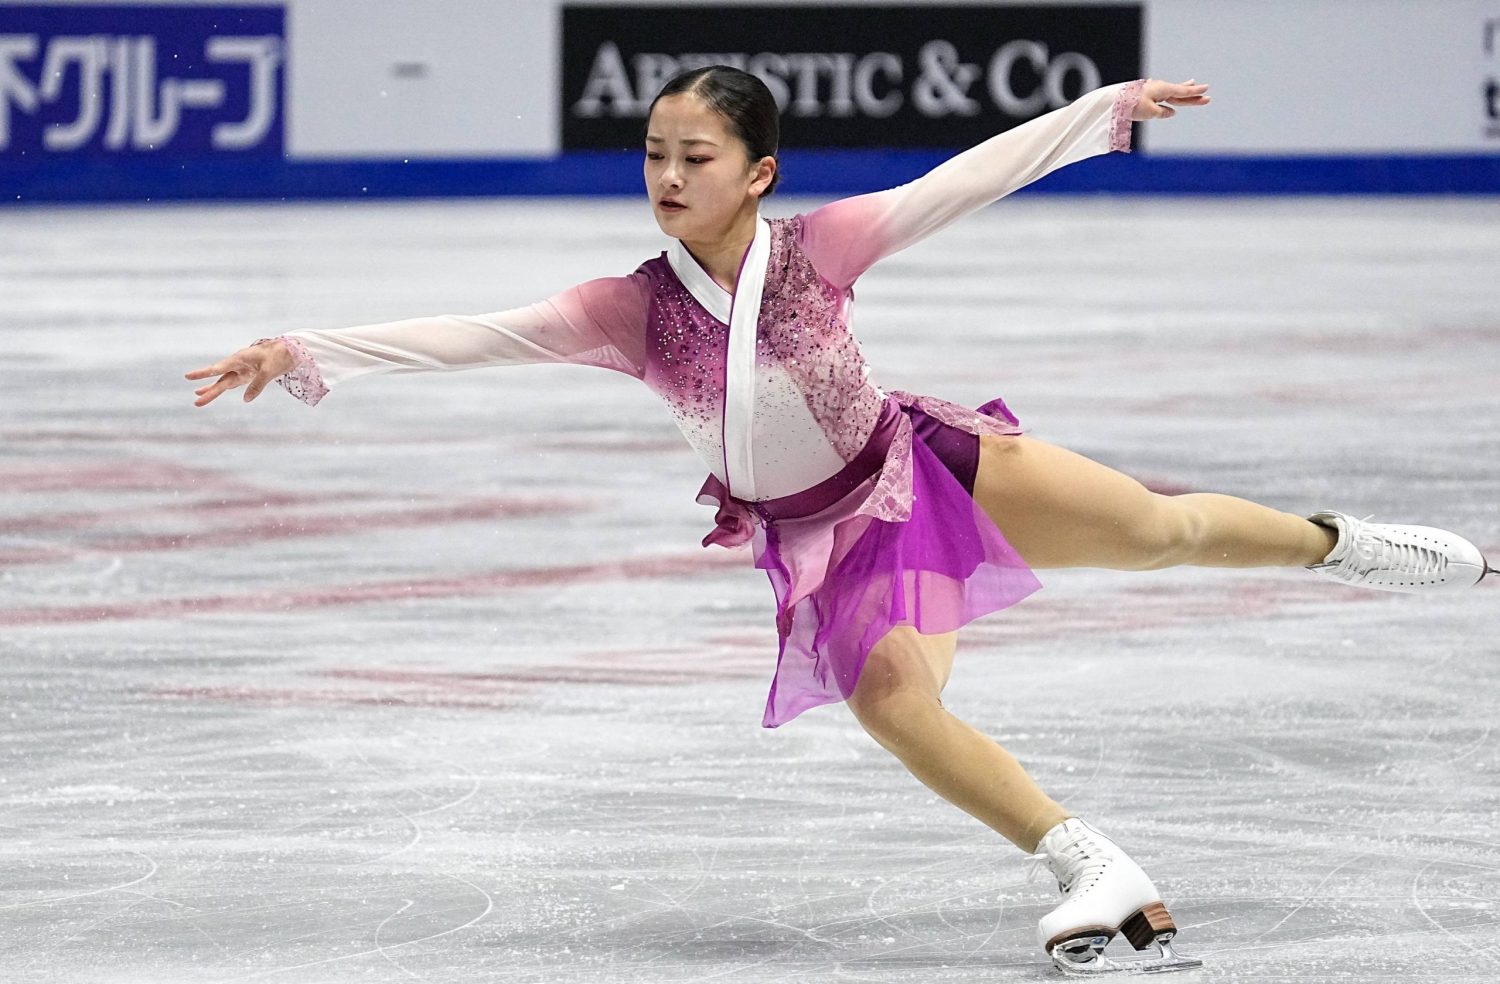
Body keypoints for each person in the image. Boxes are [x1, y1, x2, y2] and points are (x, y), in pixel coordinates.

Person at [185, 67, 1494, 976]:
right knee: (892, 703)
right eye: (653, 153)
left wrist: (1099, 114)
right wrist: (306, 346)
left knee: (1163, 533)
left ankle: (1345, 545)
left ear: (759, 173)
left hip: (923, 463)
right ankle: (1091, 867)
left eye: (694, 156)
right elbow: (475, 336)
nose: (667, 175)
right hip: (831, 538)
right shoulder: (627, 310)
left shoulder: (823, 247)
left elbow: (957, 184)